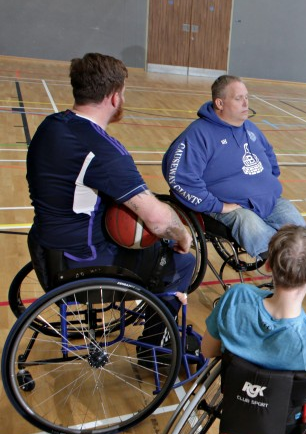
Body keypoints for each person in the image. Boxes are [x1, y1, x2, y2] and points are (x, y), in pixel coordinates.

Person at [26, 53, 194, 312]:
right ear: (115, 97)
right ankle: (158, 348)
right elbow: (159, 220)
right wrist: (183, 234)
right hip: (84, 261)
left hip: (46, 253)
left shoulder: (51, 125)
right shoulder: (103, 151)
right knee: (182, 262)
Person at [201, 225, 306, 402]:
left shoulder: (236, 297)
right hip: (279, 418)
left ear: (268, 265)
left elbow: (207, 349)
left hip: (236, 397)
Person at [163, 75, 305, 260]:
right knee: (257, 231)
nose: (246, 103)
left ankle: (304, 266)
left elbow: (269, 156)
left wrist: (268, 185)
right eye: (238, 98)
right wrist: (219, 206)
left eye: (246, 97)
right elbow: (179, 178)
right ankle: (285, 272)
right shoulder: (198, 135)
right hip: (233, 208)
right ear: (220, 103)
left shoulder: (251, 128)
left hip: (268, 201)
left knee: (304, 237)